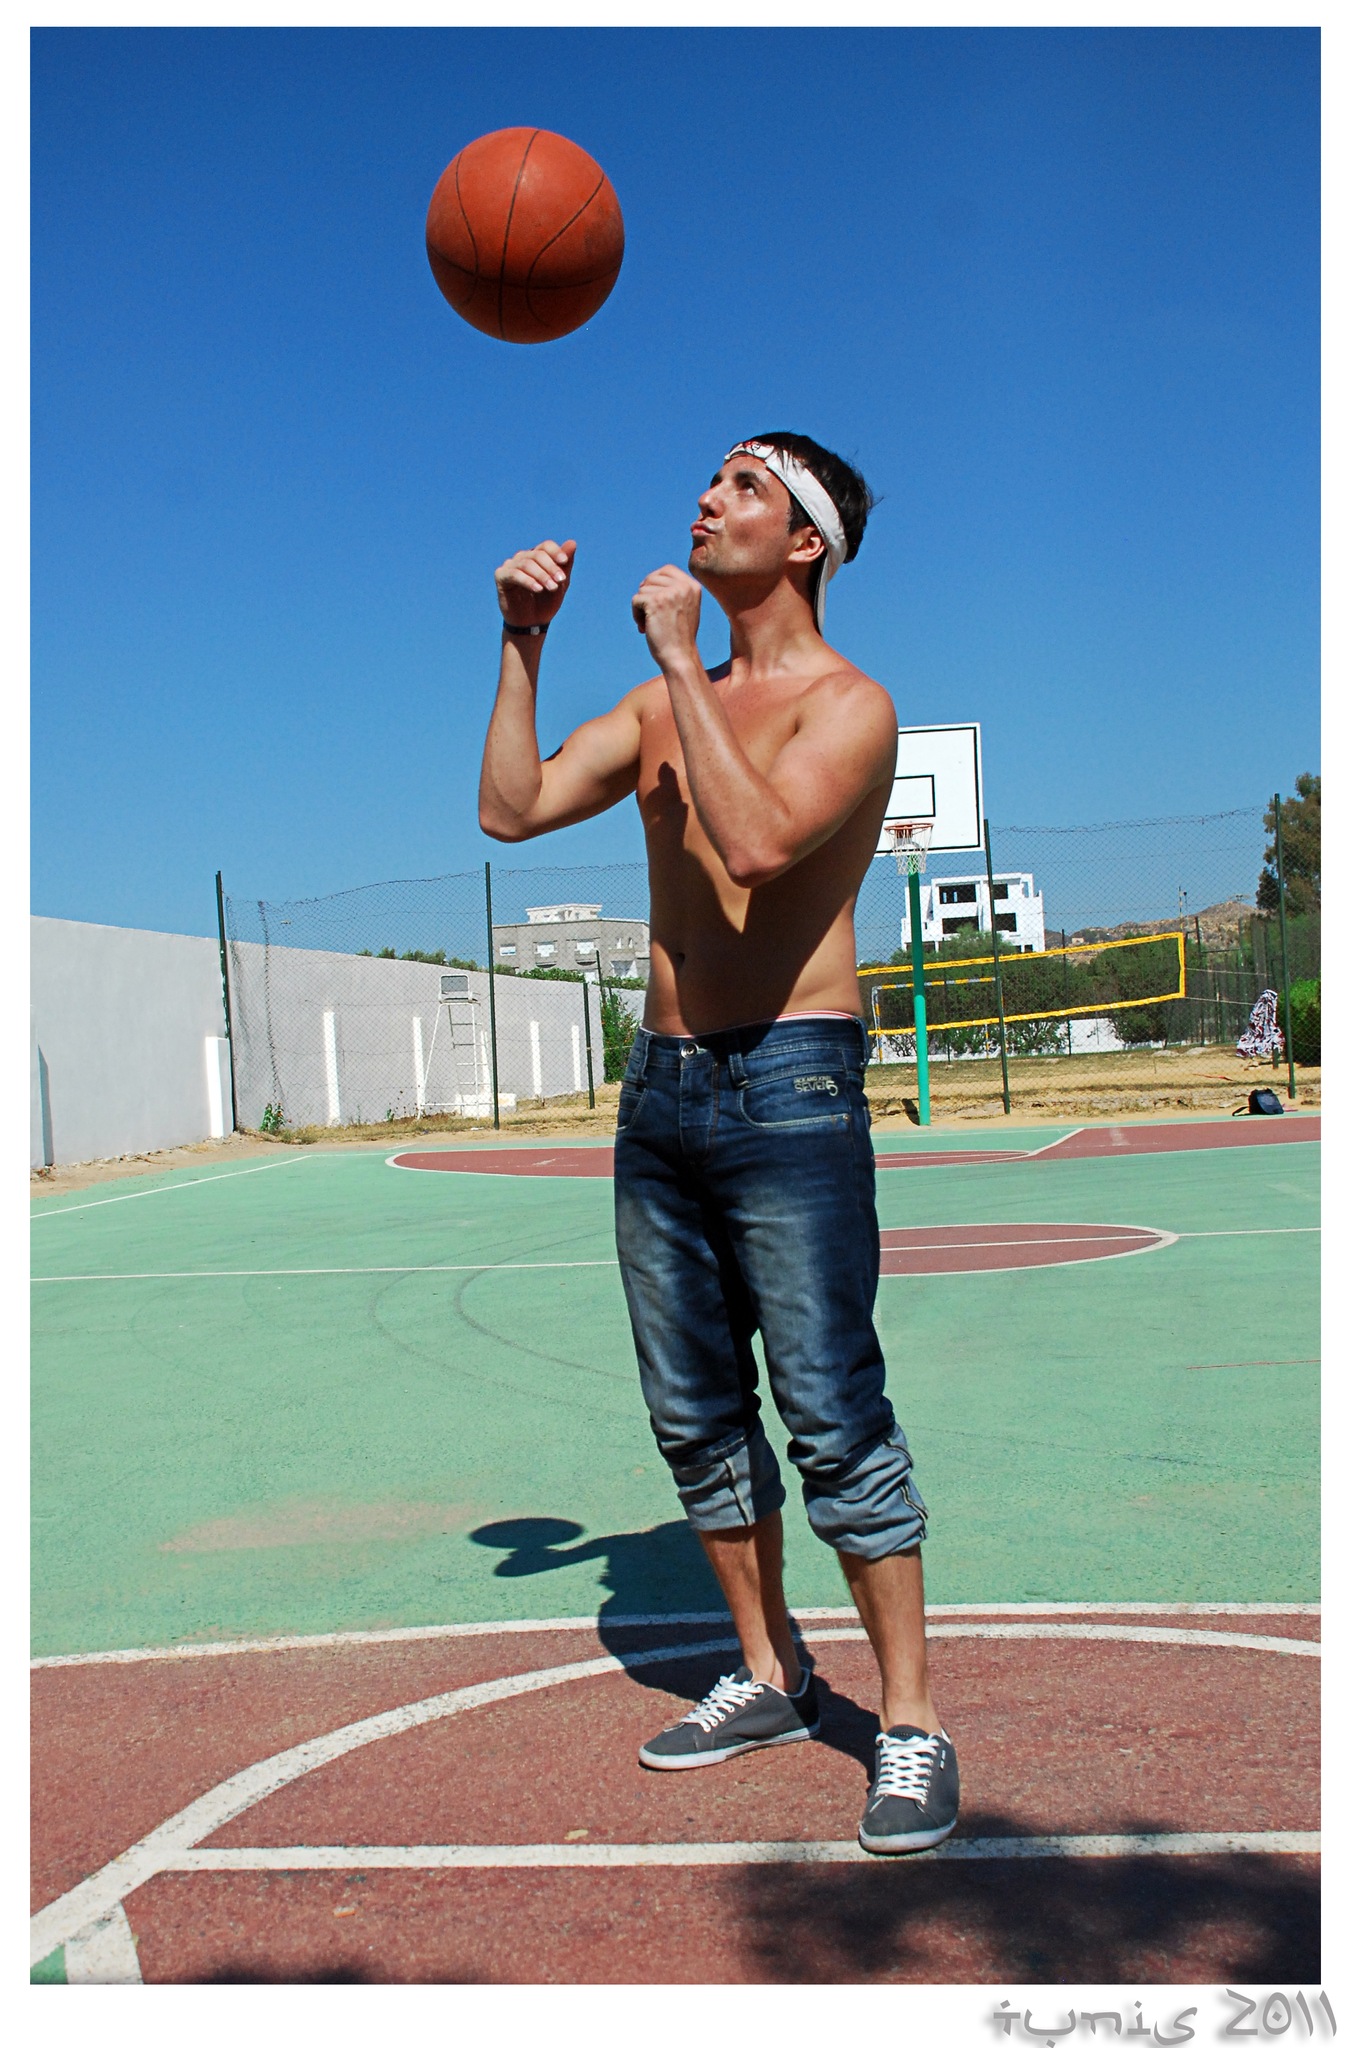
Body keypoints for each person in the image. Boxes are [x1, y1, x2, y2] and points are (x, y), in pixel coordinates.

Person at [478, 433, 958, 1854]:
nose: (707, 498)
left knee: (832, 1410)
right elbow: (511, 808)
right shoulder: (652, 703)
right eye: (711, 480)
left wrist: (687, 662)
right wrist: (522, 642)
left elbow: (755, 851)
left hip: (792, 1083)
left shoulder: (850, 707)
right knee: (693, 1411)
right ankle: (769, 1673)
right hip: (663, 1091)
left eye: (745, 485)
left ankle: (913, 1723)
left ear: (806, 541)